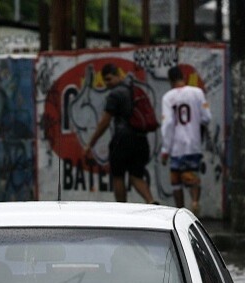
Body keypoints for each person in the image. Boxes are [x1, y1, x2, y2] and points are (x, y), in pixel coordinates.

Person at [82, 64, 157, 204]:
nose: (107, 83)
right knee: (136, 176)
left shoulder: (115, 94)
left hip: (122, 141)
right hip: (141, 139)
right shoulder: (133, 90)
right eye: (105, 80)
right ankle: (151, 200)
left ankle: (122, 209)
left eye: (109, 79)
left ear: (117, 75)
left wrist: (90, 143)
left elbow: (104, 122)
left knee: (118, 176)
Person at [159, 65, 211, 214]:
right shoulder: (197, 92)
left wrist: (165, 150)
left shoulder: (168, 97)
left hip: (176, 146)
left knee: (176, 182)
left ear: (170, 80)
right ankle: (195, 202)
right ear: (183, 77)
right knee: (193, 176)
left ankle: (180, 211)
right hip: (193, 144)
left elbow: (168, 123)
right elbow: (206, 117)